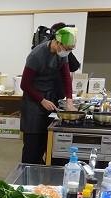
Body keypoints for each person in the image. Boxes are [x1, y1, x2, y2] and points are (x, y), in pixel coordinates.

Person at [20, 27, 78, 164]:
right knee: (32, 147)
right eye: (67, 48)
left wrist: (69, 99)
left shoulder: (61, 55)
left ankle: (41, 178)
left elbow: (66, 76)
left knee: (46, 142)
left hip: (50, 100)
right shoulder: (36, 56)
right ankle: (27, 176)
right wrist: (41, 100)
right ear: (57, 42)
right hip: (33, 103)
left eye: (71, 50)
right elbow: (24, 85)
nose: (68, 52)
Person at [49, 22, 81, 103]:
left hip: (58, 95)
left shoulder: (63, 53)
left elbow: (73, 68)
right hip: (46, 97)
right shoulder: (45, 51)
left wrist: (69, 99)